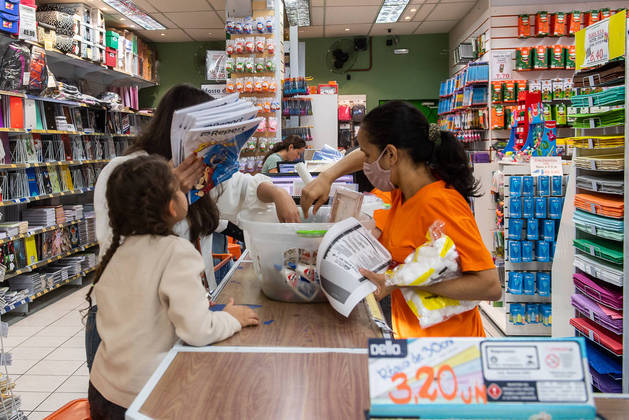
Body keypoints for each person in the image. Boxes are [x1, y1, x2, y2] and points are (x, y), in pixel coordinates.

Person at [86, 84, 299, 370]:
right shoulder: (126, 172)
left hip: (174, 322)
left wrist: (278, 194)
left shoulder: (198, 171)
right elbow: (127, 247)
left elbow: (240, 187)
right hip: (131, 329)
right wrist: (167, 188)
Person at [301, 101, 501, 338]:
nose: (364, 163)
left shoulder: (440, 203)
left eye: (368, 154)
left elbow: (489, 285)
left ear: (391, 155)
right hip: (414, 342)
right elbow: (361, 155)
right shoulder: (401, 193)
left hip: (450, 352)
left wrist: (400, 282)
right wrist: (327, 176)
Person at [88, 155, 259, 419]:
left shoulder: (114, 252)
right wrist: (231, 319)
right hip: (146, 395)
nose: (188, 191)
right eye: (180, 189)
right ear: (172, 207)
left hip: (102, 389)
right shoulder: (175, 252)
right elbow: (197, 330)